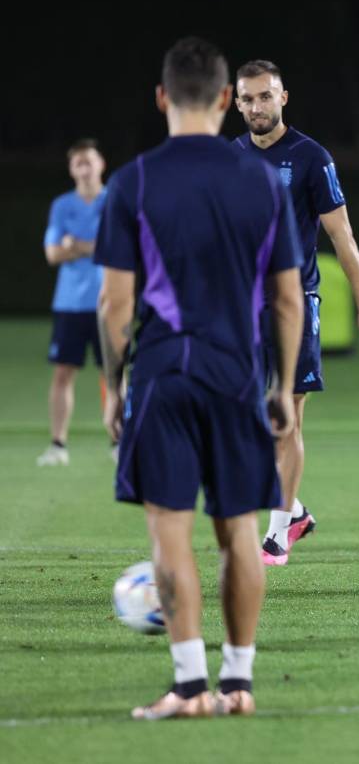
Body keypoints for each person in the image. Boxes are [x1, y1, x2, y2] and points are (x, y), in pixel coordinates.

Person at [95, 37, 304, 718]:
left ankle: (188, 687)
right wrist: (280, 386)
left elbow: (114, 303)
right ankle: (238, 684)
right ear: (224, 100)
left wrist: (114, 384)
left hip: (162, 375)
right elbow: (287, 299)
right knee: (239, 530)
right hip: (237, 374)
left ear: (162, 99)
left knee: (170, 532)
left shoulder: (132, 181)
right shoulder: (261, 182)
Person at [233, 60, 359, 566]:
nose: (257, 106)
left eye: (265, 96)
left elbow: (342, 236)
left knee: (285, 418)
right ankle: (295, 509)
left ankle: (277, 534)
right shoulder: (230, 158)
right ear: (236, 104)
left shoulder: (309, 157)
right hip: (241, 308)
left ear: (283, 98)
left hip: (295, 303)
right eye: (248, 99)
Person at [38, 139, 108, 467]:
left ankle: (121, 444)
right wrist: (93, 246)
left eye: (88, 162)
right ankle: (57, 444)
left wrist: (76, 245)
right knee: (63, 373)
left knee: (115, 375)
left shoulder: (114, 201)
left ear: (101, 165)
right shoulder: (61, 205)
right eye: (77, 162)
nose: (84, 168)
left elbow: (123, 248)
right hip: (69, 303)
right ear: (71, 169)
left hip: (110, 301)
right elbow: (52, 254)